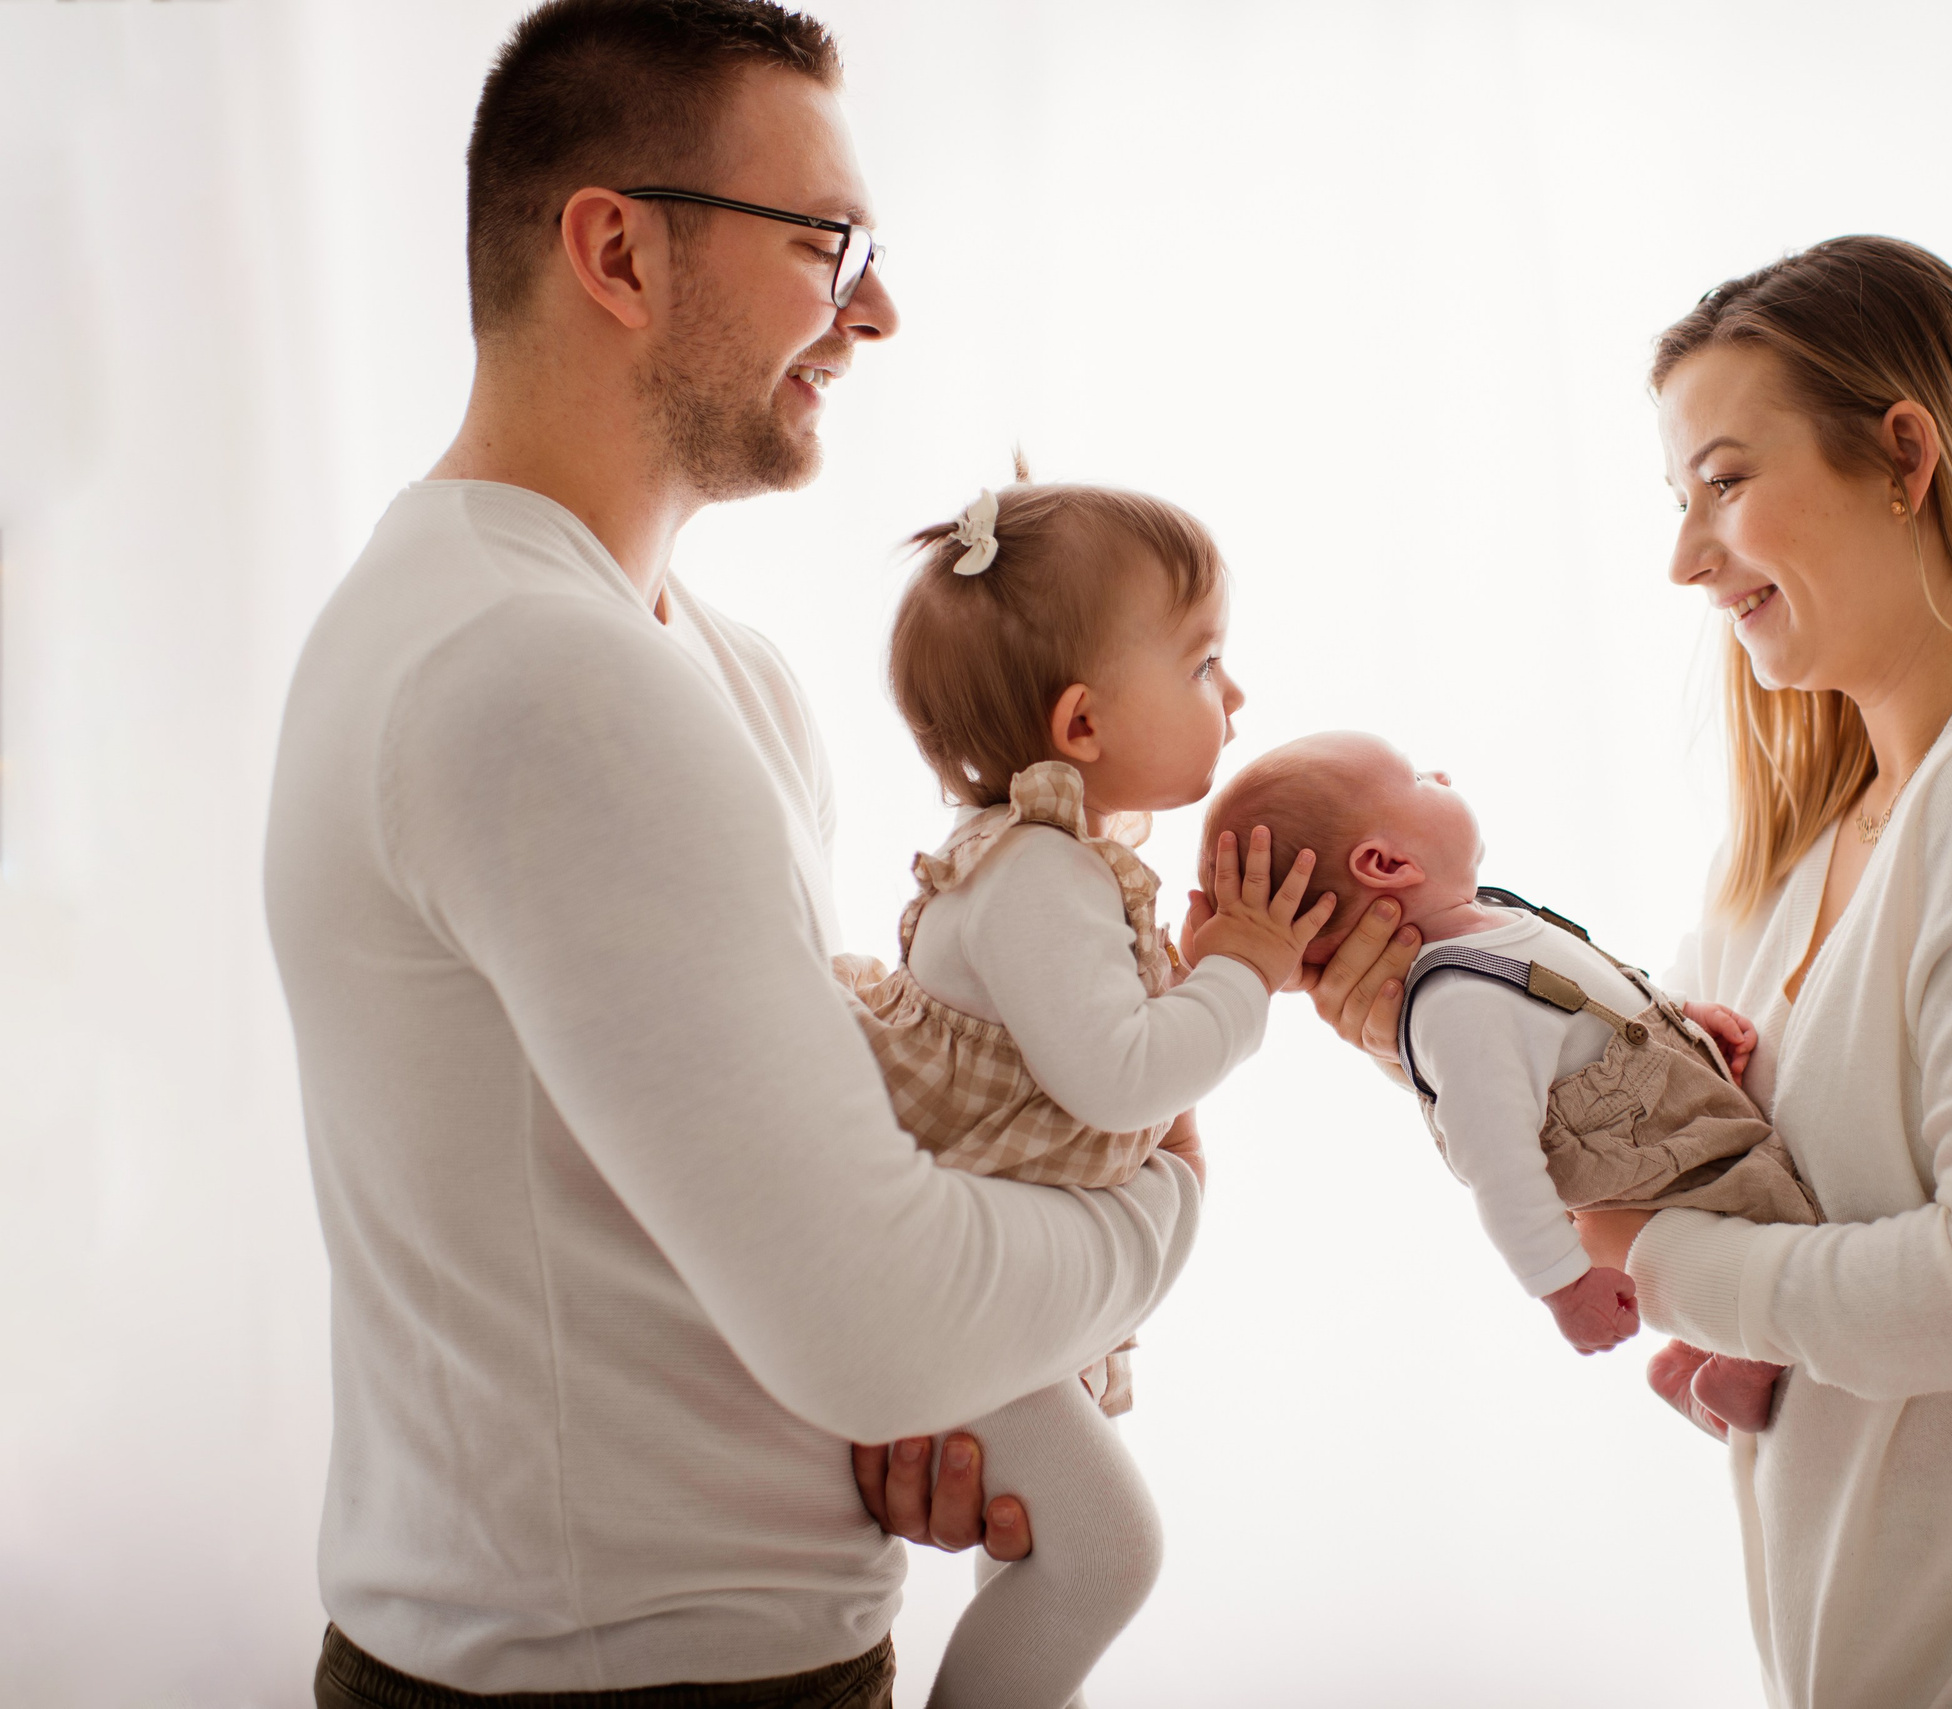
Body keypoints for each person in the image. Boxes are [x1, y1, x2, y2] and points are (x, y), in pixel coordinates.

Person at [264, 4, 1202, 1704]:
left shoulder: (694, 658)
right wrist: (1170, 1190)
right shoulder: (534, 672)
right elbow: (877, 1311)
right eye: (824, 243)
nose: (878, 306)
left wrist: (904, 1392)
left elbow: (797, 1210)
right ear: (617, 248)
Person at [1308, 236, 1952, 1706]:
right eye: (1679, 500)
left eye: (1726, 481)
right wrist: (1399, 1011)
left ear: (1904, 457)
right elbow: (1633, 1129)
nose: (1685, 556)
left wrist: (1654, 1266)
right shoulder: (1823, 836)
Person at [837, 481, 1328, 1708]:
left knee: (1100, 1548)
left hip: (988, 1270)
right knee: (1111, 1553)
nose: (1238, 694)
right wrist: (1241, 974)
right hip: (962, 1296)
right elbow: (1118, 1081)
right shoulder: (1037, 873)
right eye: (1208, 663)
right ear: (1085, 721)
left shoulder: (1044, 861)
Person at [1197, 731, 1806, 1430]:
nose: (1444, 772)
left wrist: (1685, 1022)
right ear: (1386, 861)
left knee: (1753, 1206)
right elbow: (1500, 1164)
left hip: (1668, 1108)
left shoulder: (1489, 916)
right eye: (1422, 776)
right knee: (1779, 1210)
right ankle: (1738, 1367)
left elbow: (1585, 1005)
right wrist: (1562, 1283)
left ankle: (1687, 1360)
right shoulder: (1454, 1001)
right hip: (1653, 1155)